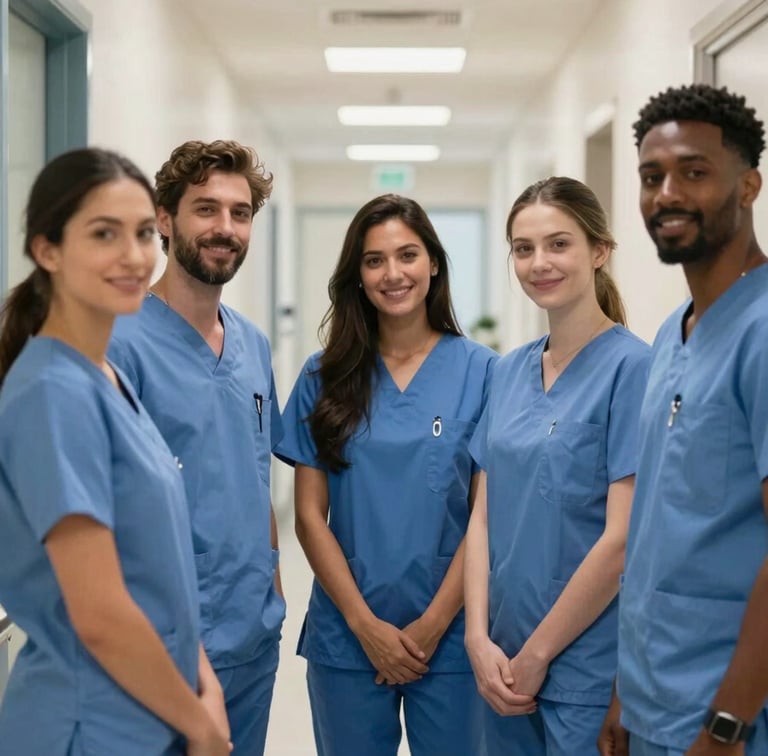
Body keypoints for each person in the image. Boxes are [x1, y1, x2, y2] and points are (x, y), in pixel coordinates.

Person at [0, 148, 230, 755]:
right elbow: (99, 613)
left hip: (151, 709)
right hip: (87, 724)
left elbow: (156, 567)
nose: (133, 256)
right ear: (47, 250)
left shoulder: (105, 376)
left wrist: (202, 680)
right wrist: (199, 721)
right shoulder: (52, 392)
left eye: (144, 235)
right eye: (104, 234)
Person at [275, 194, 497, 755]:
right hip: (348, 636)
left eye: (407, 255)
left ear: (434, 263)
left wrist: (431, 627)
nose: (392, 273)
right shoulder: (324, 375)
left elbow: (484, 517)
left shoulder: (484, 373)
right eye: (374, 260)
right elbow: (308, 516)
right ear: (357, 274)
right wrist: (365, 626)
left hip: (449, 636)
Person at [597, 84, 768, 756]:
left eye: (694, 172)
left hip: (731, 718)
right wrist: (626, 692)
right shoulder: (672, 334)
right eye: (651, 176)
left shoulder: (760, 332)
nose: (667, 193)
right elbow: (658, 533)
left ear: (748, 184)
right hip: (653, 706)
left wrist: (726, 726)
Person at [108, 140, 285, 756]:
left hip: (252, 640)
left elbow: (255, 472)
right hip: (161, 652)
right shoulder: (119, 345)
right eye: (205, 209)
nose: (225, 228)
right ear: (164, 218)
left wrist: (274, 588)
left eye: (240, 213)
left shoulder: (253, 346)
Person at [465, 176, 650, 755]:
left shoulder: (633, 369)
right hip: (501, 663)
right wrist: (476, 638)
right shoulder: (506, 371)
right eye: (523, 248)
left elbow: (620, 541)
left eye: (558, 244)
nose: (539, 263)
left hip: (586, 670)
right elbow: (482, 520)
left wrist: (540, 653)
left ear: (599, 251)